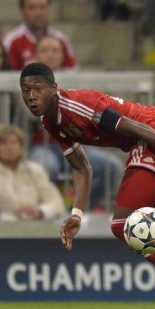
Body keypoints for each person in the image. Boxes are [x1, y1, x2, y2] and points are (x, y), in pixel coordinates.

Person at [19, 62, 155, 309]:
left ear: (54, 88)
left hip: (154, 135)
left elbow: (134, 127)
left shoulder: (78, 105)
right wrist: (77, 214)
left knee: (122, 225)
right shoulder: (51, 122)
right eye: (26, 91)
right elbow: (82, 169)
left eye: (38, 89)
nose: (31, 96)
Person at [29, 34, 123, 211]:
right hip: (44, 144)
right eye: (45, 50)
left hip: (78, 143)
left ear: (63, 56)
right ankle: (50, 212)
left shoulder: (78, 81)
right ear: (36, 56)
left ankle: (79, 210)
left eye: (55, 50)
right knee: (44, 167)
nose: (50, 54)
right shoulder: (26, 81)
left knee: (112, 167)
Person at [0, 125, 66, 222]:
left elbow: (57, 203)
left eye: (13, 143)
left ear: (21, 147)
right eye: (4, 143)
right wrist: (16, 217)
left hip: (34, 227)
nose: (9, 148)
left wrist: (39, 212)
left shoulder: (35, 171)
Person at [2, 0, 78, 71]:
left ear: (49, 10)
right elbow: (6, 74)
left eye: (42, 7)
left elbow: (73, 71)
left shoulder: (61, 39)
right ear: (22, 11)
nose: (38, 13)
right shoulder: (12, 39)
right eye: (32, 8)